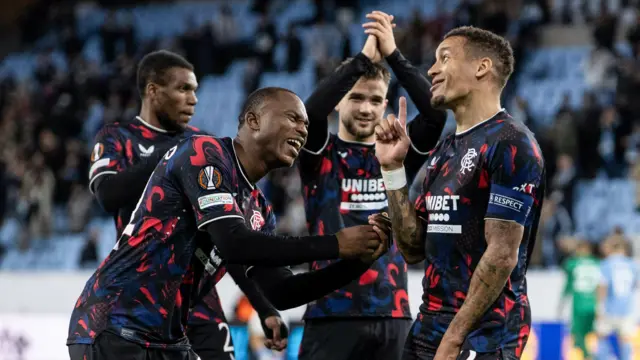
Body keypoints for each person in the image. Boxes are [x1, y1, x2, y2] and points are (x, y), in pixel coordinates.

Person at [68, 86, 391, 360]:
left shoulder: (259, 209)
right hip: (114, 324)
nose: (303, 130)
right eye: (293, 118)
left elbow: (281, 291)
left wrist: (357, 261)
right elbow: (233, 242)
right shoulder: (204, 152)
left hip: (168, 339)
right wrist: (335, 244)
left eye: (305, 124)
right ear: (253, 120)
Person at [87, 50, 288, 360]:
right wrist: (172, 156)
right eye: (184, 89)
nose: (194, 98)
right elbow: (108, 196)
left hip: (200, 302)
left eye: (195, 89)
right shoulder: (118, 138)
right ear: (153, 91)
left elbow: (227, 235)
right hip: (144, 299)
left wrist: (264, 307)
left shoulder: (204, 146)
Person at [373, 26, 546, 360]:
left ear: (481, 68)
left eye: (445, 58)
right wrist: (393, 171)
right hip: (430, 324)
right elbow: (411, 248)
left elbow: (501, 254)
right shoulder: (446, 149)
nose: (432, 70)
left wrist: (453, 340)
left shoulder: (511, 143)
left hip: (483, 335)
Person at [296, 11, 446, 360]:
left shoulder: (398, 154)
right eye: (357, 97)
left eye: (376, 100)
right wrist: (363, 60)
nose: (367, 108)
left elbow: (436, 115)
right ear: (339, 101)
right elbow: (310, 113)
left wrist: (395, 55)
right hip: (330, 315)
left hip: (392, 314)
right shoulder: (320, 152)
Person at [596, 236, 638, 360]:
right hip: (627, 309)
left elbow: (602, 287)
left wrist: (599, 307)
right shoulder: (633, 265)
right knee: (625, 341)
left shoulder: (606, 264)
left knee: (602, 336)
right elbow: (635, 285)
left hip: (609, 309)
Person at [558, 240, 600, 360]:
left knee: (577, 331)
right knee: (592, 332)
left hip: (579, 303)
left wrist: (561, 302)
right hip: (594, 303)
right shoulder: (598, 263)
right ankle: (590, 354)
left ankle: (587, 356)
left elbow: (568, 284)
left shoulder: (572, 263)